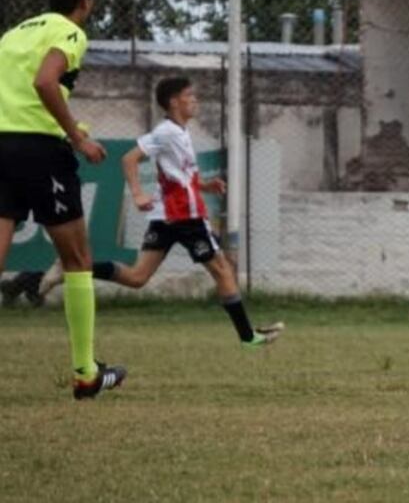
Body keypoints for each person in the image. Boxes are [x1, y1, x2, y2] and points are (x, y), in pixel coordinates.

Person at [42, 77, 283, 348]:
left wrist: (205, 185)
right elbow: (129, 158)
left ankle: (72, 268)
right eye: (189, 96)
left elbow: (179, 175)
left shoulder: (179, 132)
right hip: (184, 217)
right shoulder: (167, 132)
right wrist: (137, 193)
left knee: (137, 278)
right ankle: (248, 337)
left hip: (167, 216)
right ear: (173, 101)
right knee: (223, 270)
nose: (195, 100)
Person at [0, 0, 126, 399]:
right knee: (77, 260)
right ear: (86, 1)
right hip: (40, 151)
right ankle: (85, 372)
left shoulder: (13, 34)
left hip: (1, 145)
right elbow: (44, 81)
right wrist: (77, 137)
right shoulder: (70, 32)